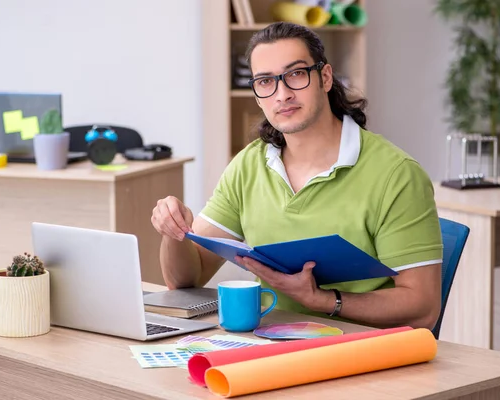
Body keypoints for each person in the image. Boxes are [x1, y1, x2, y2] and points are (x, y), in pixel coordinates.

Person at [151, 21, 443, 330]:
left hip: (363, 353)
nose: (282, 94)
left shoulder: (396, 175)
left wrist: (324, 300)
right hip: (269, 344)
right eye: (265, 81)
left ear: (325, 78)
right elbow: (184, 280)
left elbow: (422, 307)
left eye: (296, 74)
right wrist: (174, 233)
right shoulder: (249, 165)